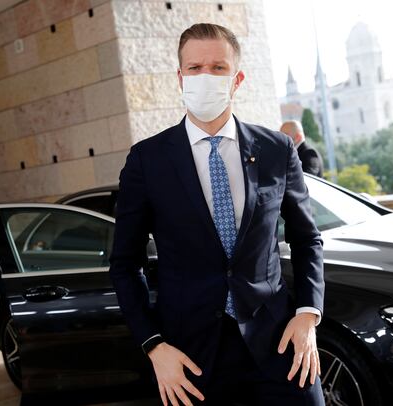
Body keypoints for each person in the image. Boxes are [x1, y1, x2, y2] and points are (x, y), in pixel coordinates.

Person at [109, 23, 324, 405]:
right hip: (189, 359)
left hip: (279, 346)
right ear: (180, 77)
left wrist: (308, 314)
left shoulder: (277, 149)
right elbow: (125, 264)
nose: (205, 76)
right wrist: (154, 346)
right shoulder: (147, 160)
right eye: (194, 68)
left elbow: (307, 239)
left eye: (218, 68)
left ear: (237, 79)